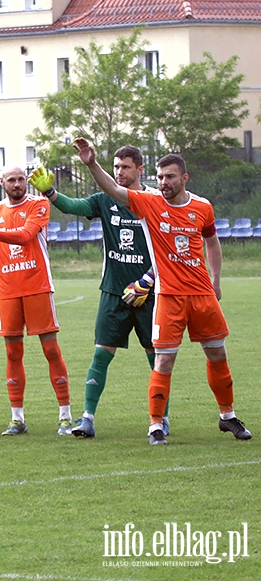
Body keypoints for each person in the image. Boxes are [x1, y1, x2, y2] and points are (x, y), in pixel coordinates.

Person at [73, 138, 252, 445]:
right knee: (163, 361)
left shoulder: (202, 206)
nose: (163, 182)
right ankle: (156, 425)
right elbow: (113, 189)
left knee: (217, 354)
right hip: (168, 297)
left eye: (170, 176)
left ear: (184, 178)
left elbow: (212, 241)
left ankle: (228, 417)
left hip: (202, 296)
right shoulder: (149, 203)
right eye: (159, 177)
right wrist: (91, 163)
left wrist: (216, 279)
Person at [28, 149, 170, 438]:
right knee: (101, 354)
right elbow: (73, 206)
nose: (120, 172)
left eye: (126, 167)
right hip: (113, 293)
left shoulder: (155, 200)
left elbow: (167, 248)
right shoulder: (105, 200)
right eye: (116, 166)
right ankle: (87, 418)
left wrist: (149, 280)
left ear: (140, 169)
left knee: (156, 358)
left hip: (149, 294)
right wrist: (51, 193)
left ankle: (161, 418)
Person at [0, 165, 71, 436]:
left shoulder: (39, 204)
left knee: (51, 350)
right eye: (12, 180)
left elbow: (24, 236)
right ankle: (17, 418)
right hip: (9, 291)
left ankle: (66, 416)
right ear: (2, 182)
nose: (17, 184)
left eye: (21, 179)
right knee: (12, 353)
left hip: (37, 287)